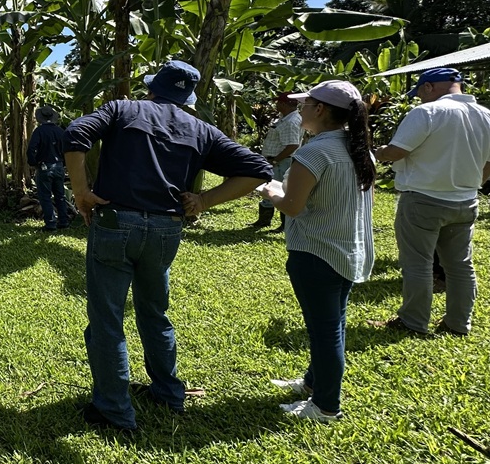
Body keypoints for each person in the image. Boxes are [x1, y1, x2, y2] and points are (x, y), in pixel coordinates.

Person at [65, 60, 272, 431]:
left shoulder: (122, 108)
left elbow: (75, 135)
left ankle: (114, 410)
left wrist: (81, 192)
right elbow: (258, 169)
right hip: (166, 229)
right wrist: (205, 200)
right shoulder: (201, 129)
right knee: (154, 312)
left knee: (107, 319)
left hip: (116, 223)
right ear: (187, 97)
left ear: (152, 88)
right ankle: (168, 393)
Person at [260, 80, 375, 423]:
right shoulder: (358, 149)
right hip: (345, 250)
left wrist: (270, 192)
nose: (300, 109)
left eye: (305, 104)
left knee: (324, 332)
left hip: (316, 252)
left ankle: (326, 406)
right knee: (333, 325)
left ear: (320, 110)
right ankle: (314, 382)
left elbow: (293, 206)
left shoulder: (314, 152)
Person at [370, 68, 490, 337]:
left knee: (418, 263)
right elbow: (489, 164)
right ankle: (458, 323)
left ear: (428, 87)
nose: (420, 99)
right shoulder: (486, 115)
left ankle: (413, 322)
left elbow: (396, 152)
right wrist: (470, 184)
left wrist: (377, 151)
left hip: (423, 199)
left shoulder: (427, 113)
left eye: (420, 94)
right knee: (460, 264)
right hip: (466, 201)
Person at [254, 92, 301, 230]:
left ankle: (284, 225)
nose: (276, 104)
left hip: (282, 162)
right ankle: (264, 221)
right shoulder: (285, 118)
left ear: (285, 104)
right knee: (268, 188)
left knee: (281, 191)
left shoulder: (291, 122)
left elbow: (293, 145)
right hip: (276, 160)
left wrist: (275, 160)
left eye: (278, 102)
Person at [28, 104, 70, 231]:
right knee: (60, 195)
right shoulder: (60, 131)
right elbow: (67, 149)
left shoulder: (39, 131)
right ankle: (64, 221)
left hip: (45, 166)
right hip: (59, 166)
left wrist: (33, 162)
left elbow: (31, 149)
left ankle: (51, 223)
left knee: (45, 196)